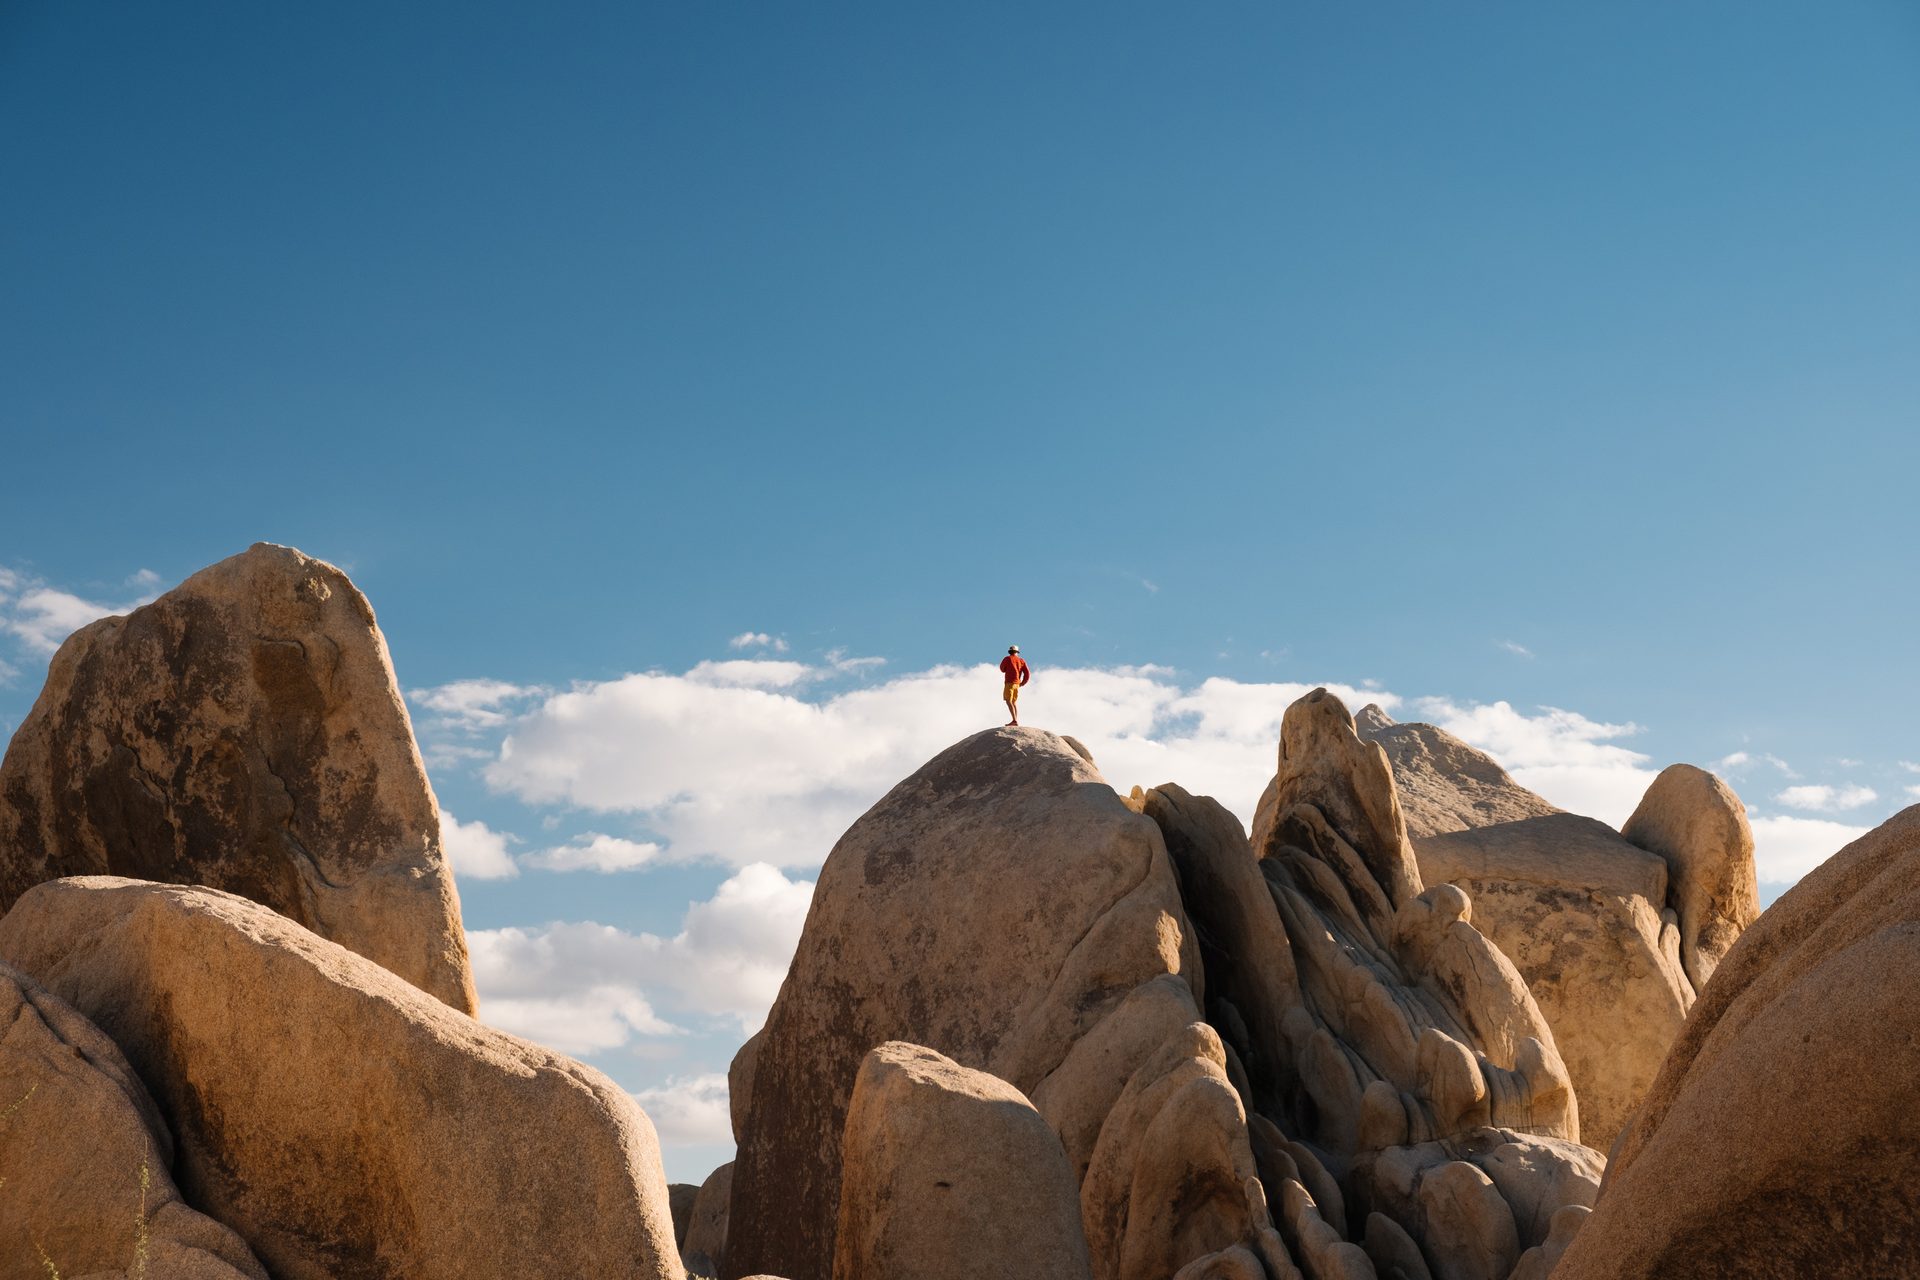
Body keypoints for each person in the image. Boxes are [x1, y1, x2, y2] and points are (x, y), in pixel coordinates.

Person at [999, 645, 1030, 726]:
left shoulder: (1007, 658)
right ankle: (1015, 720)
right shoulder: (1021, 660)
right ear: (1017, 652)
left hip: (1009, 682)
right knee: (1013, 702)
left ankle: (1014, 720)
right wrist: (1023, 682)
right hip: (1017, 684)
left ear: (1010, 651)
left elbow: (1002, 669)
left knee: (1008, 701)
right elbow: (1027, 673)